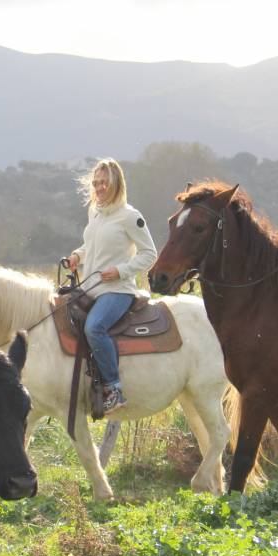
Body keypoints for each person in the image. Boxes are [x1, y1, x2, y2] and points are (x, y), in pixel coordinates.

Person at [64, 158, 157, 411]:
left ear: (117, 183)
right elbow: (90, 246)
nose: (99, 187)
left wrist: (120, 271)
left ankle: (113, 388)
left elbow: (149, 253)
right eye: (96, 183)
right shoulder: (94, 213)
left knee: (95, 328)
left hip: (118, 290)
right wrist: (77, 256)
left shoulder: (130, 216)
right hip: (90, 287)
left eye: (104, 182)